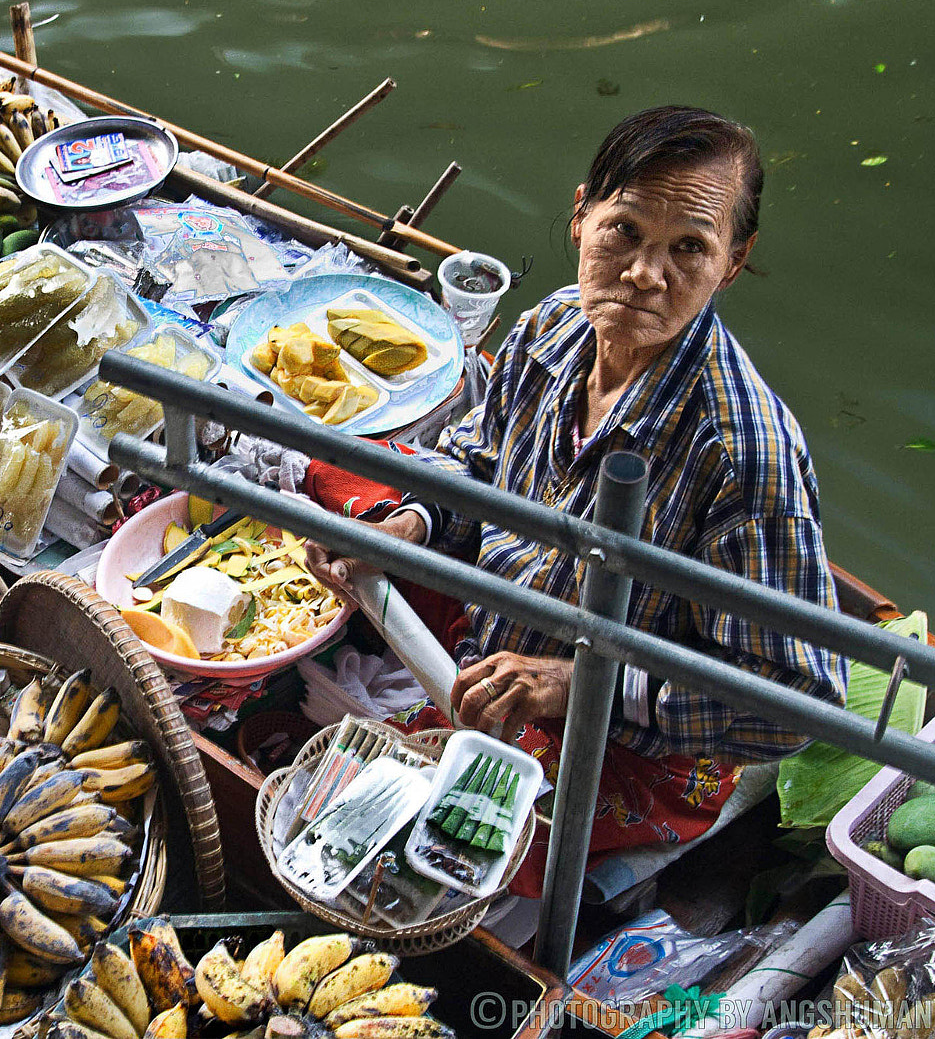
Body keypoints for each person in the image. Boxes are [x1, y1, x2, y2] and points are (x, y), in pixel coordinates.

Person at [305, 105, 850, 896]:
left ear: (733, 262)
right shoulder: (553, 326)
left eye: (688, 248)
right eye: (625, 230)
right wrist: (407, 526)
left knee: (405, 845)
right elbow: (476, 461)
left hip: (626, 734)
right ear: (582, 213)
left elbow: (795, 703)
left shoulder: (744, 455)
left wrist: (575, 682)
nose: (643, 274)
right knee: (334, 483)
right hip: (501, 621)